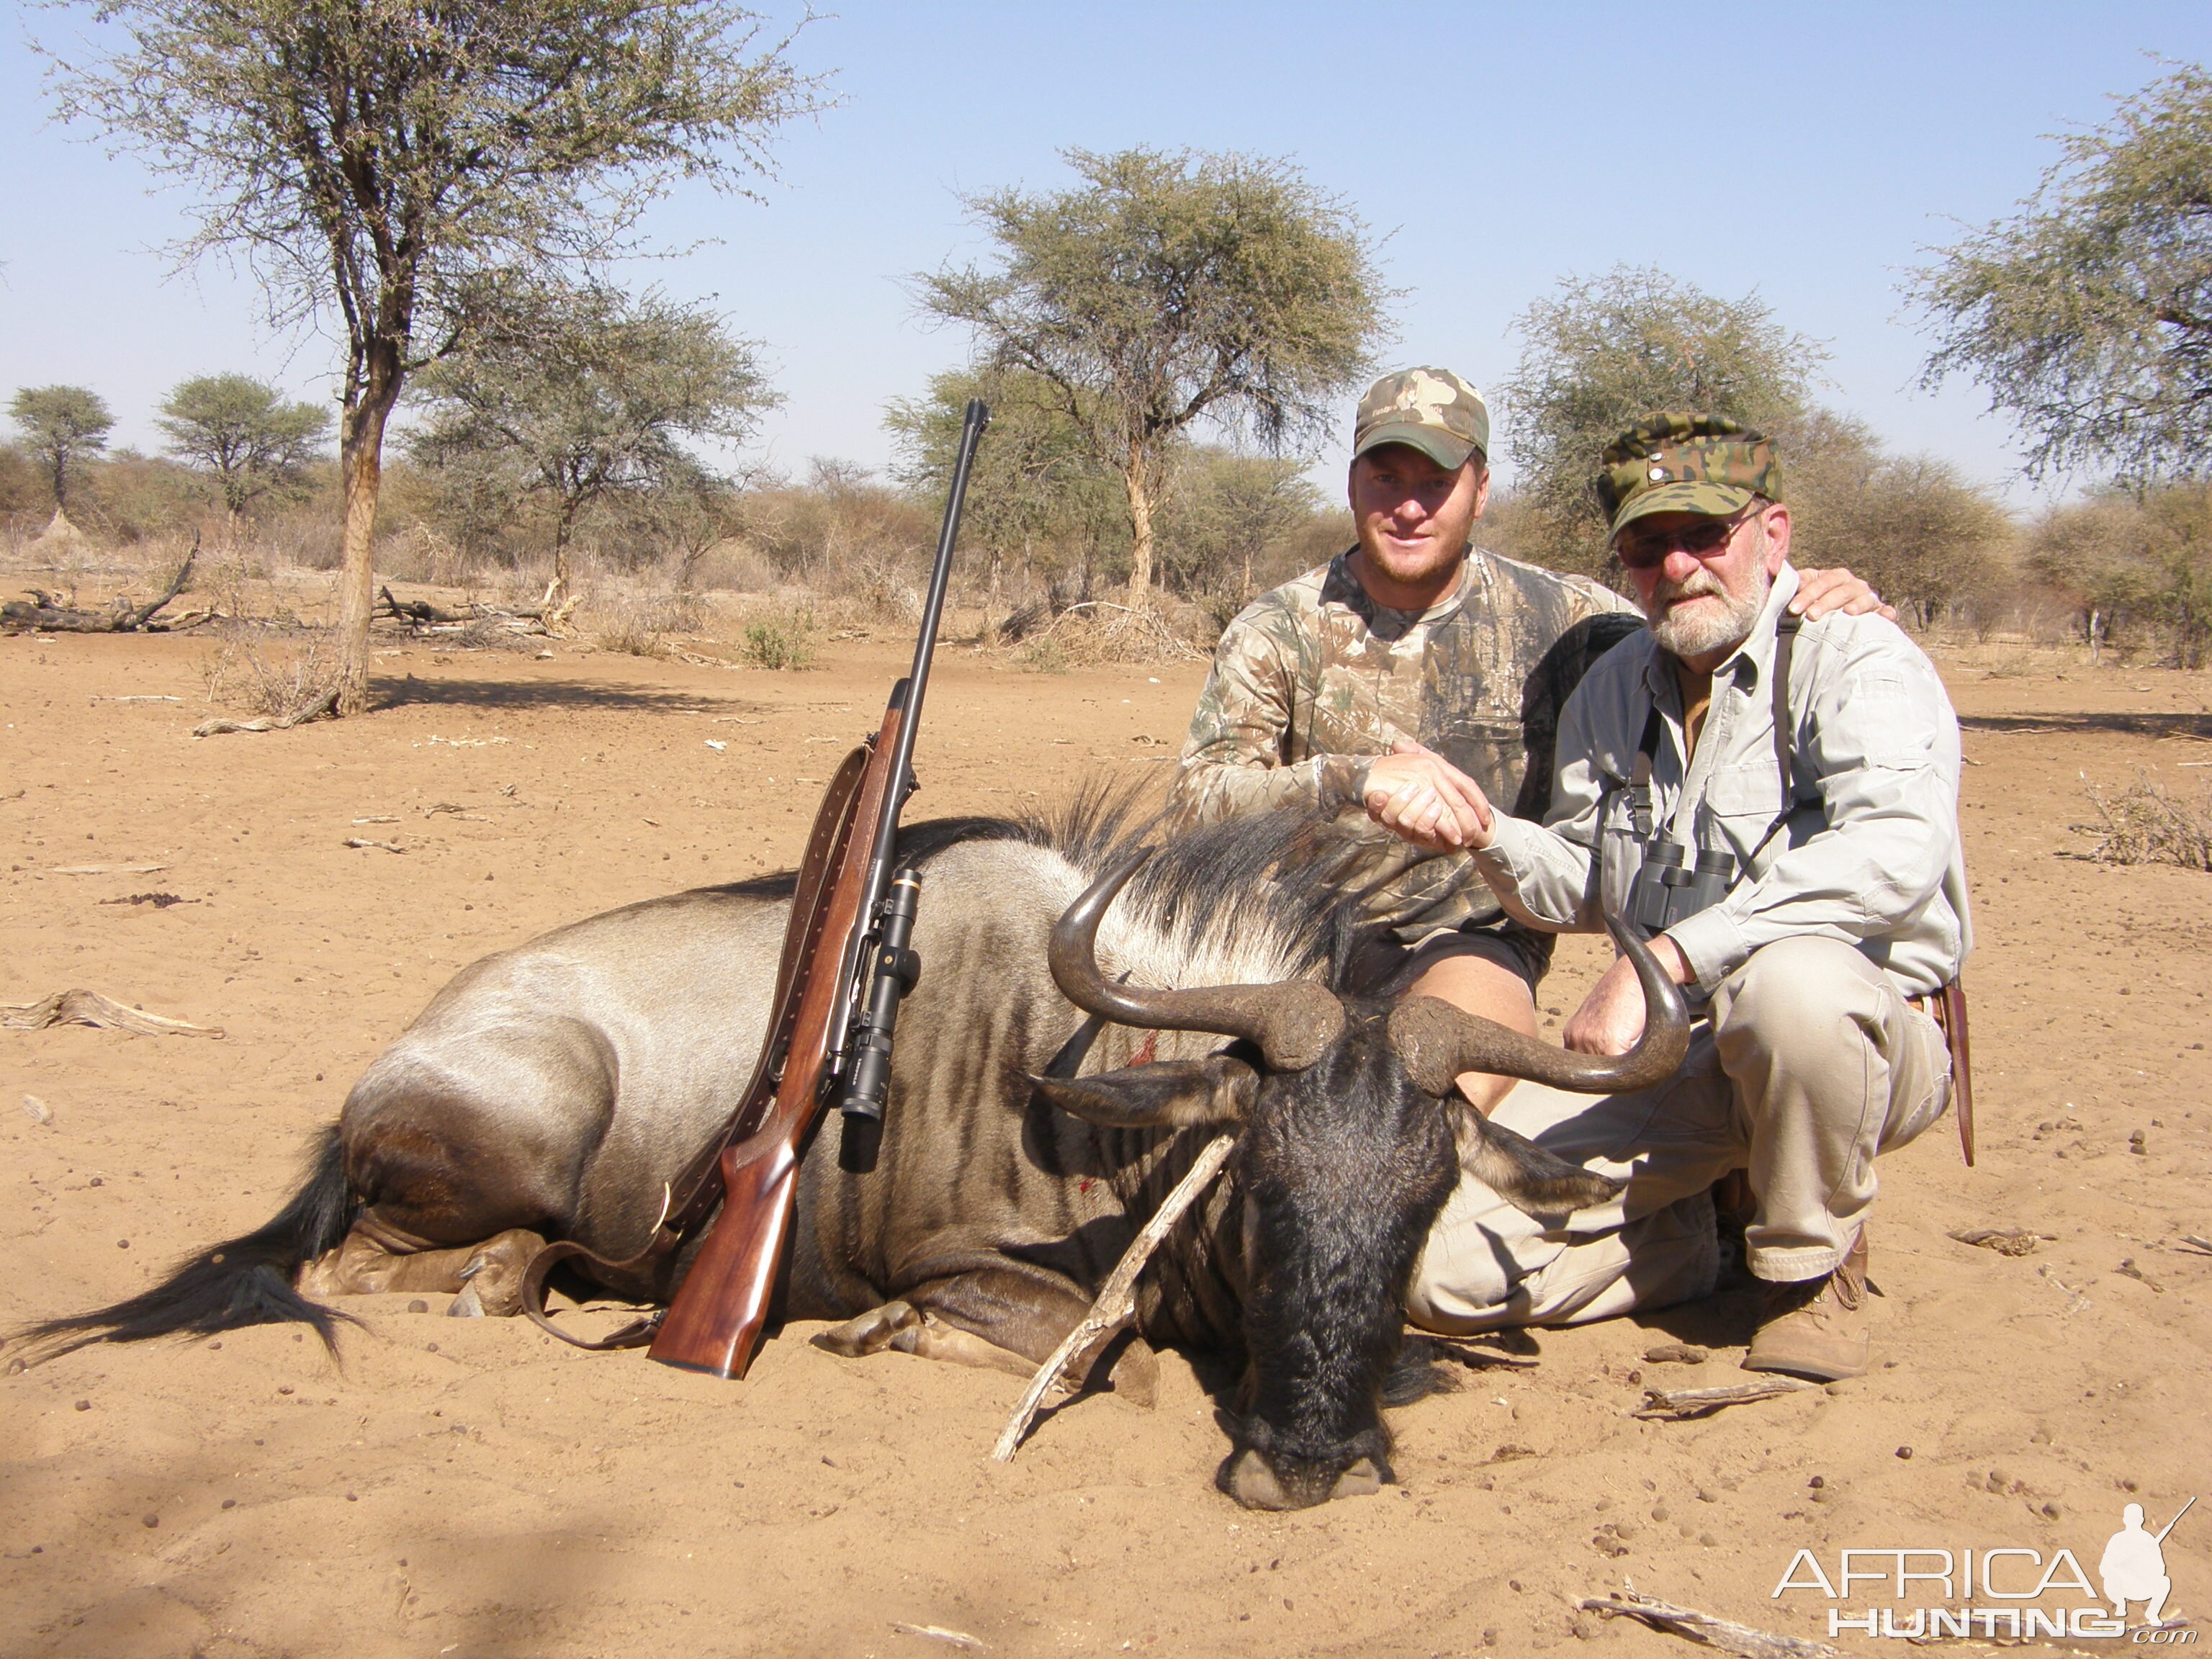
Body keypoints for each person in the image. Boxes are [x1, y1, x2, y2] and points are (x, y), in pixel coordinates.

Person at [1394, 412, 1971, 1381]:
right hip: (1675, 1057)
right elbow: (1584, 879)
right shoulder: (1615, 686)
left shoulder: (1856, 656)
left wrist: (1670, 957)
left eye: (1707, 536)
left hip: (1853, 1047)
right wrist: (1485, 833)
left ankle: (1810, 1270)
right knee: (1436, 1268)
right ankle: (1704, 1234)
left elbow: (1892, 856)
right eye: (1648, 546)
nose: (1680, 568)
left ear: (1772, 533)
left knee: (1794, 993)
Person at [1172, 367, 1889, 1112]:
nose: (1410, 507)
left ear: (1480, 491)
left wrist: (1815, 596)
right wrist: (1346, 780)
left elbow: (1709, 614)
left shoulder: (1572, 618)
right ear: (1353, 487)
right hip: (1286, 940)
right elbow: (1196, 803)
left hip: (1468, 943)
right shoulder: (1276, 629)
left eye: (1437, 483)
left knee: (1429, 1105)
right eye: (1386, 479)